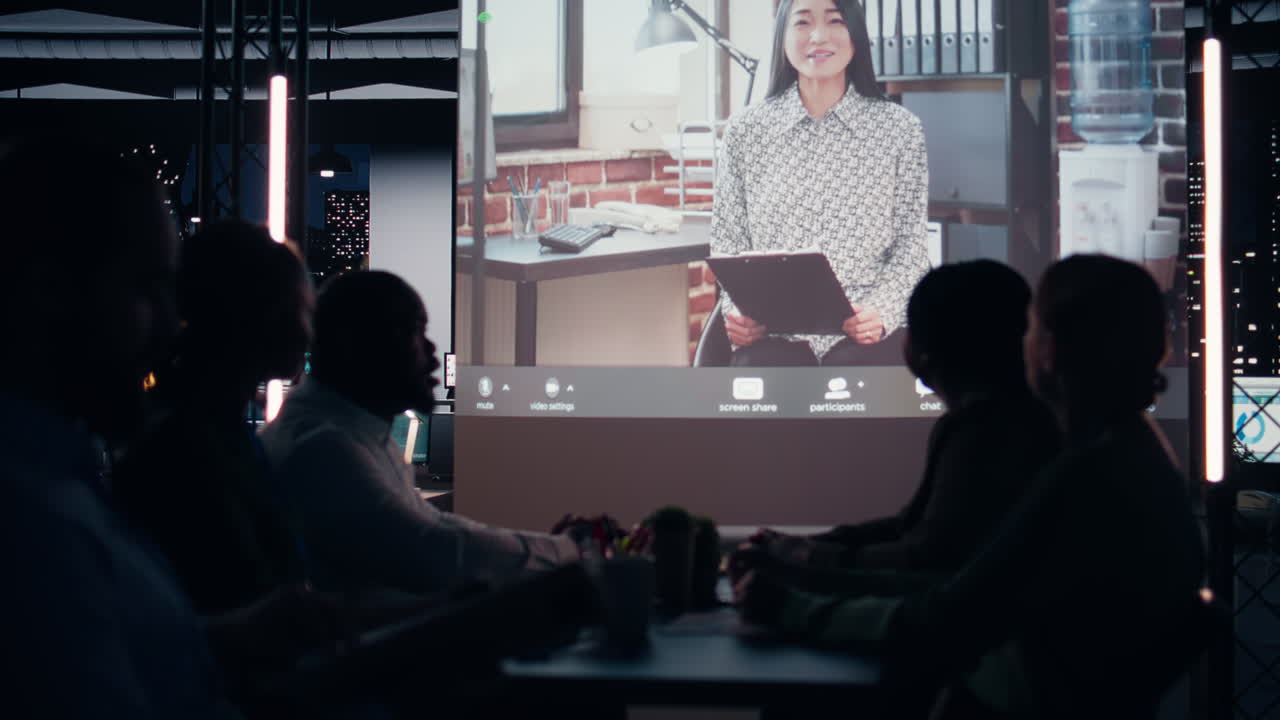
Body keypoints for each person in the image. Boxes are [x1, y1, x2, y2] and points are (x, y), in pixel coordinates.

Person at [732, 255, 1206, 718]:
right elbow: (955, 582)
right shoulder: (1125, 453)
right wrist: (806, 566)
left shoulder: (1086, 475)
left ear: (1049, 351)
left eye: (1032, 328)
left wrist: (794, 603)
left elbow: (950, 609)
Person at [0, 140, 329, 718]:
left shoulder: (66, 483)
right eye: (147, 287)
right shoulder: (38, 518)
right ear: (49, 290)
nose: (172, 326)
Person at [258, 270, 581, 597]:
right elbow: (436, 553)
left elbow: (436, 525)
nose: (430, 350)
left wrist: (557, 547)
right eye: (413, 331)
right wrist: (567, 551)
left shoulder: (349, 430)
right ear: (356, 344)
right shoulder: (322, 448)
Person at [744, 260, 1060, 574]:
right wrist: (801, 547)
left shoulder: (980, 433)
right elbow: (911, 526)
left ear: (916, 353)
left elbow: (924, 559)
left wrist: (805, 561)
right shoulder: (1027, 422)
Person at [113, 219, 314, 617]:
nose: (310, 331)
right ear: (263, 315)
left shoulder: (193, 432)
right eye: (303, 311)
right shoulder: (196, 449)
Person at [712, 0, 930, 367]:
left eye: (834, 21)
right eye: (802, 22)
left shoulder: (900, 130)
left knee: (858, 376)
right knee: (757, 382)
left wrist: (881, 312)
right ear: (782, 37)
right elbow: (728, 243)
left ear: (856, 36)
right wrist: (738, 314)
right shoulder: (744, 132)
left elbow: (912, 250)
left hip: (865, 329)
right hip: (773, 331)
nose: (818, 36)